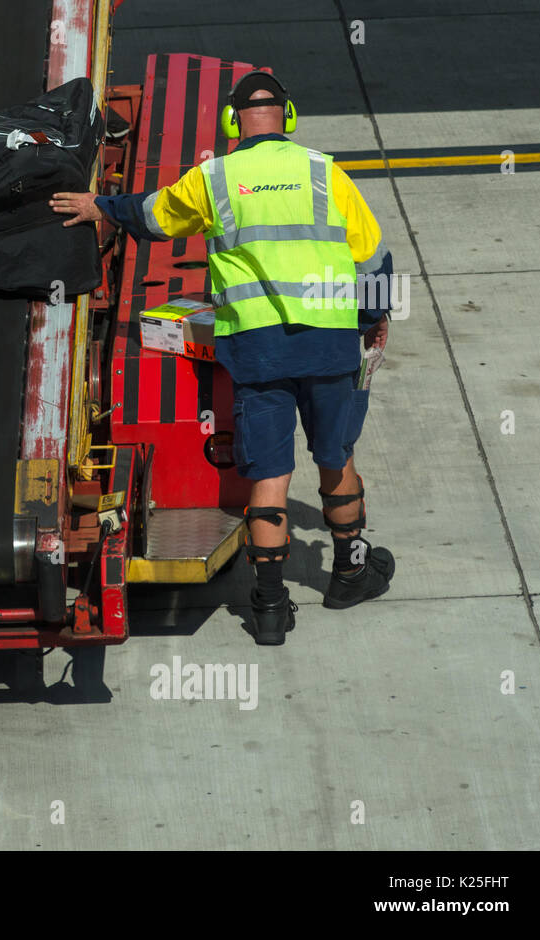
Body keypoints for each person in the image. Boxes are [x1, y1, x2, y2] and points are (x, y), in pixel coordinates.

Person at [50, 70, 395, 645]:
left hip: (259, 351)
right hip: (328, 344)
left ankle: (268, 609)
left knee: (270, 476)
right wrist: (366, 321)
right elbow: (374, 259)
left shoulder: (215, 177)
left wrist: (99, 205)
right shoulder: (323, 171)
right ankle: (350, 573)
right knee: (336, 458)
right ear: (288, 117)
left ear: (233, 122)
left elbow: (153, 216)